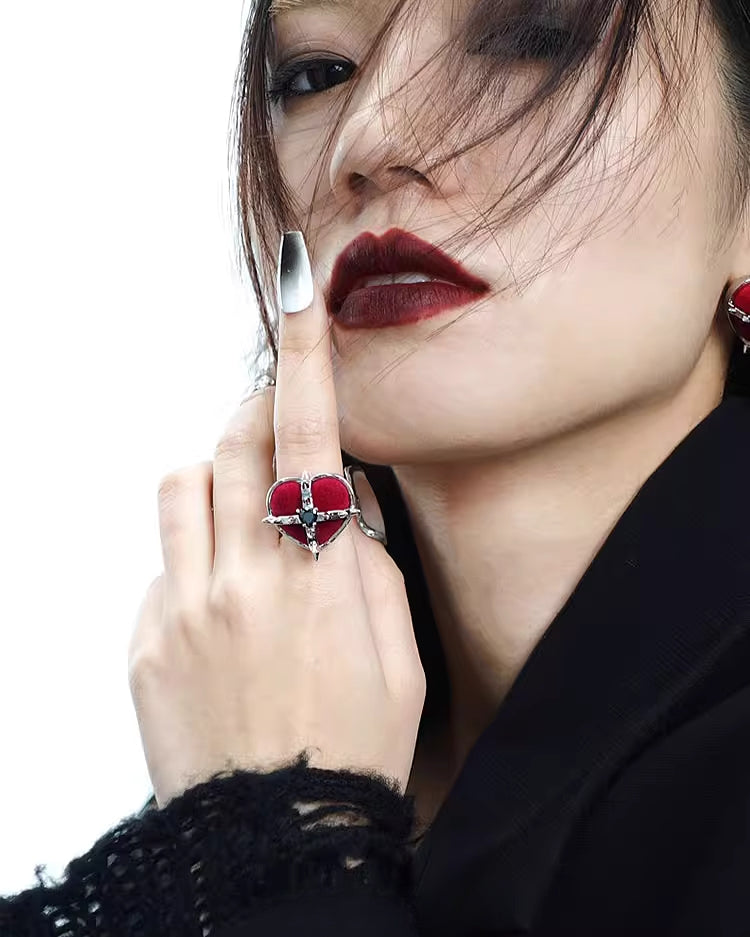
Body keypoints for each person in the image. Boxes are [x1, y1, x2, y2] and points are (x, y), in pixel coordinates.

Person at [4, 0, 750, 934]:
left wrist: (288, 833)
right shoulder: (191, 829)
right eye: (317, 74)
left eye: (531, 43)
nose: (371, 135)